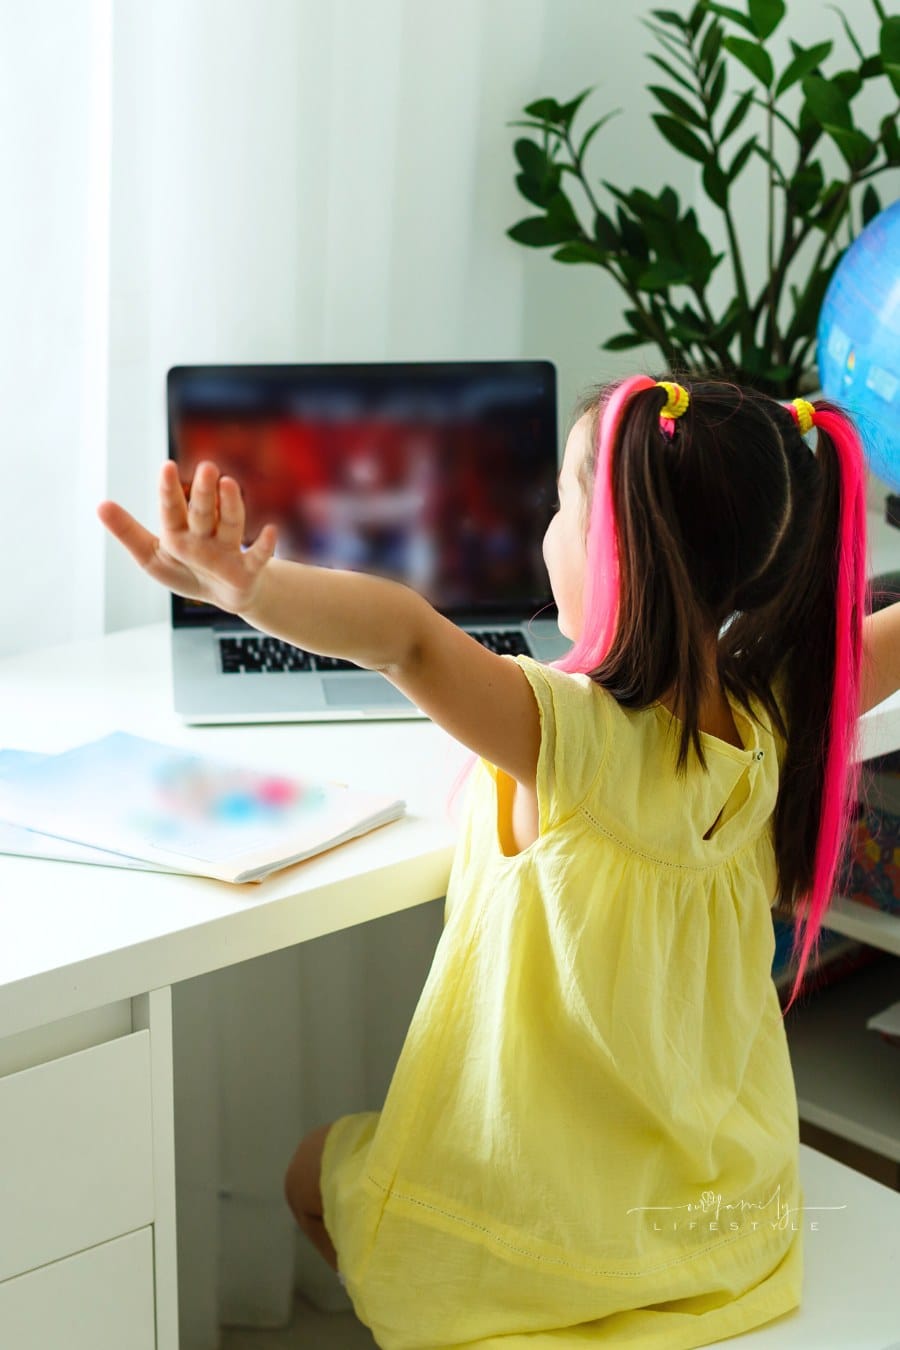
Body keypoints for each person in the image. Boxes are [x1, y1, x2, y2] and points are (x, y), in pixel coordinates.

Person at [99, 373, 879, 1349]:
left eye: (561, 505)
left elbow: (408, 639)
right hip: (721, 1208)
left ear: (618, 556)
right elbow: (875, 640)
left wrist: (247, 589)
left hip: (546, 1234)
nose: (544, 528)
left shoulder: (567, 734)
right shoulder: (776, 713)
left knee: (310, 1172)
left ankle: (462, 1310)